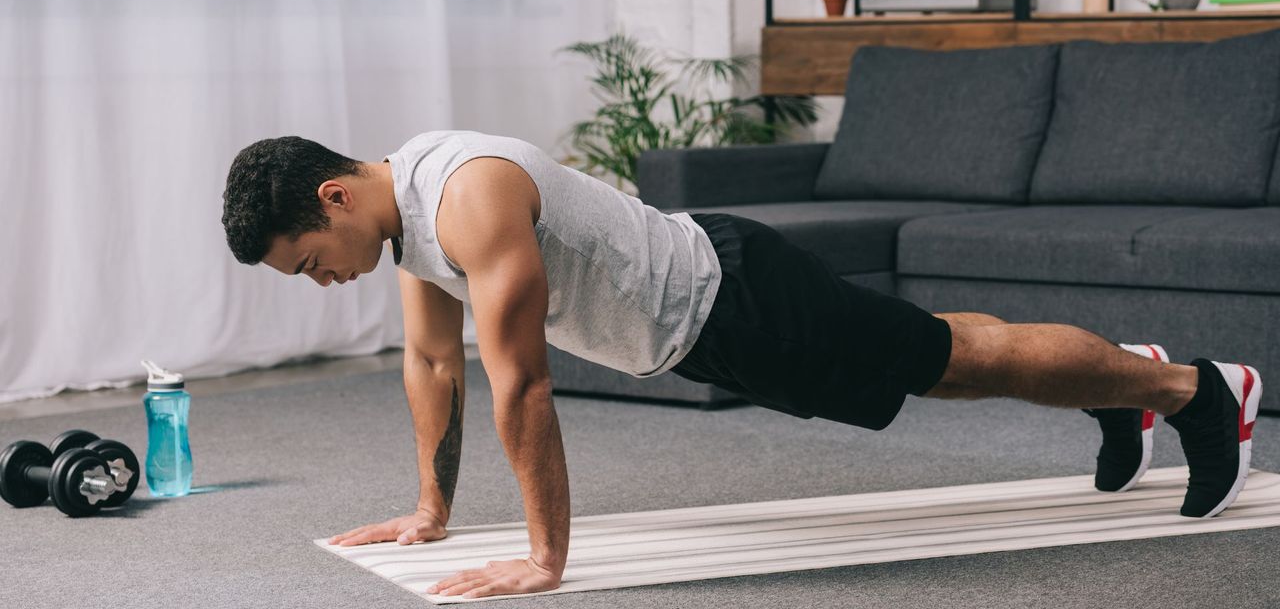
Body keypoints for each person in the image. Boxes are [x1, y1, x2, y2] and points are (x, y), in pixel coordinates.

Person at [221, 130, 1262, 600]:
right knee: (945, 362)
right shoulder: (407, 223)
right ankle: (1126, 386)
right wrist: (430, 510)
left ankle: (1187, 389)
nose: (321, 283)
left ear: (334, 200)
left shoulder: (468, 196)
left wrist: (544, 560)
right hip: (706, 327)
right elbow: (435, 367)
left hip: (739, 297)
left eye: (309, 265)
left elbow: (521, 383)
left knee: (952, 360)